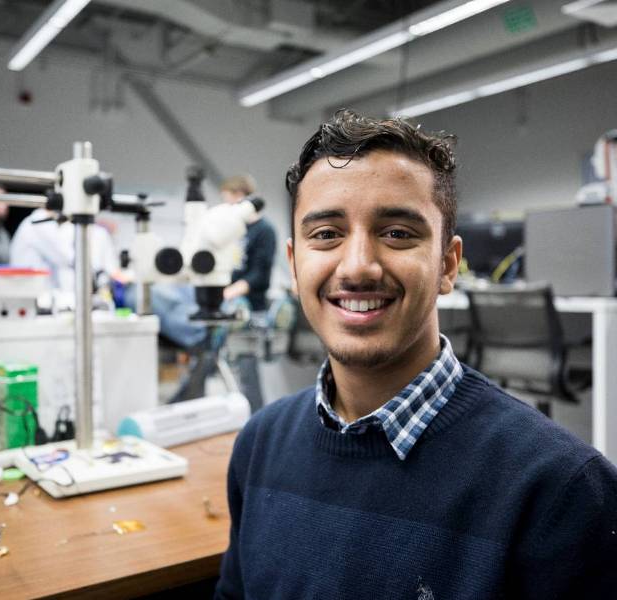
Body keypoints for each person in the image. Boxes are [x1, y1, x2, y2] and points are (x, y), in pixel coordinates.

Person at [215, 110, 617, 598]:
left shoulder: (561, 490)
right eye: (326, 234)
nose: (358, 267)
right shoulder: (259, 445)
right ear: (295, 264)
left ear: (448, 264)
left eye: (398, 233)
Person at [10, 208, 120, 291]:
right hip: (29, 291)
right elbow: (68, 257)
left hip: (35, 291)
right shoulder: (39, 222)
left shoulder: (42, 222)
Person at [219, 175, 277, 311]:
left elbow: (260, 273)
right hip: (229, 302)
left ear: (239, 196)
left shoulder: (265, 230)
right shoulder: (233, 229)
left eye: (228, 201)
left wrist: (228, 293)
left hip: (252, 307)